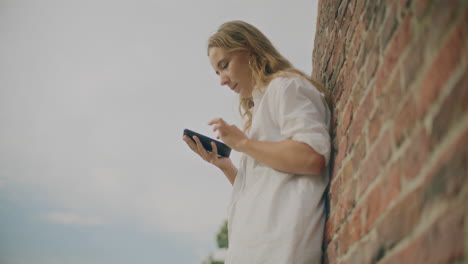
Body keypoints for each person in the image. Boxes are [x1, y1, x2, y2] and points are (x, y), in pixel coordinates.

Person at [183, 20, 331, 264]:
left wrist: (243, 144)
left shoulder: (286, 87)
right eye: (217, 72)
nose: (222, 80)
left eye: (225, 65)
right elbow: (260, 192)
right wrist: (226, 166)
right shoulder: (259, 112)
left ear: (249, 50)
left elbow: (312, 157)